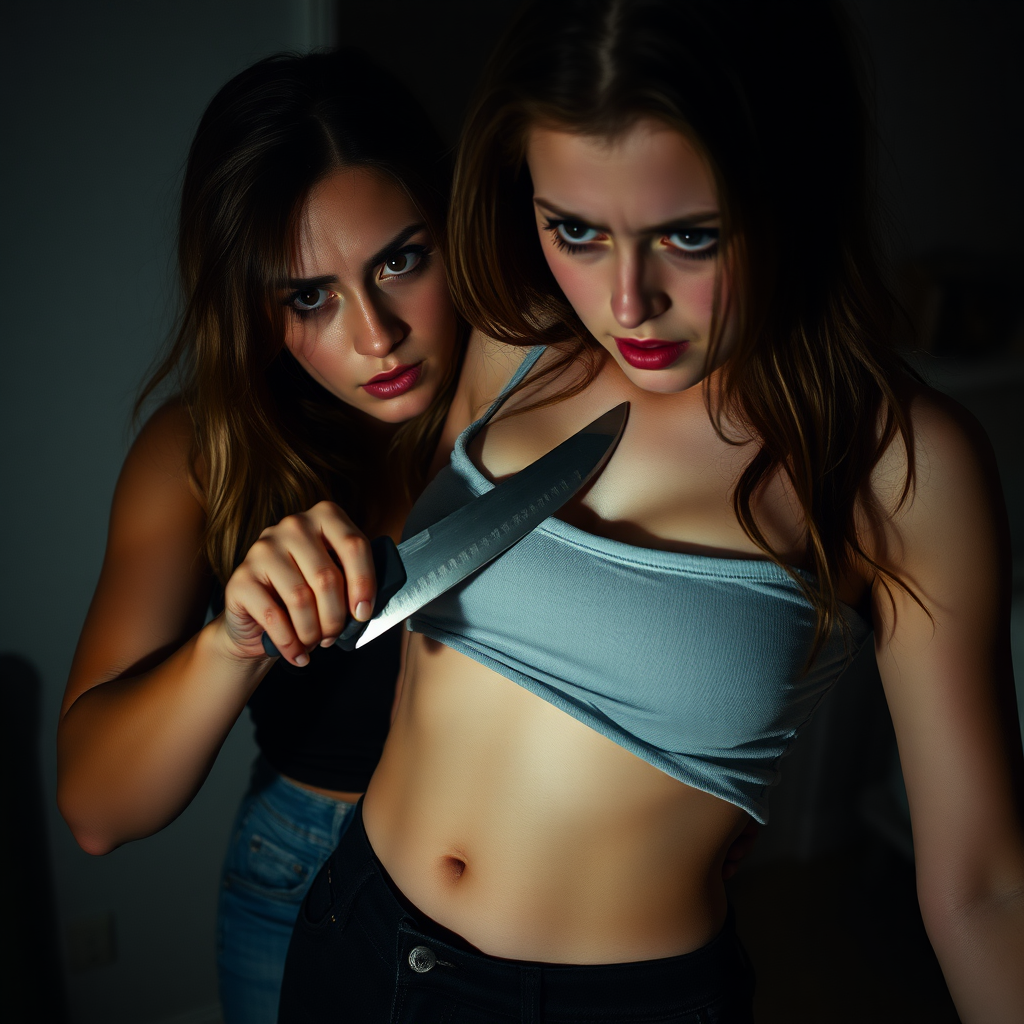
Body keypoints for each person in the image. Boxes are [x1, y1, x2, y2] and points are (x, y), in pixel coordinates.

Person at [277, 2, 1024, 1021]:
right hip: (353, 936)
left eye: (689, 237)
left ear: (791, 191)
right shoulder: (512, 341)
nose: (627, 303)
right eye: (576, 230)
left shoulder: (895, 464)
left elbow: (984, 886)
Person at [56, 49, 462, 1023]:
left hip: (536, 871)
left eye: (400, 261)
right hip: (303, 869)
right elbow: (97, 811)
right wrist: (229, 644)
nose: (375, 335)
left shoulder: (547, 402)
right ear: (255, 307)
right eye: (308, 297)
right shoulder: (200, 452)